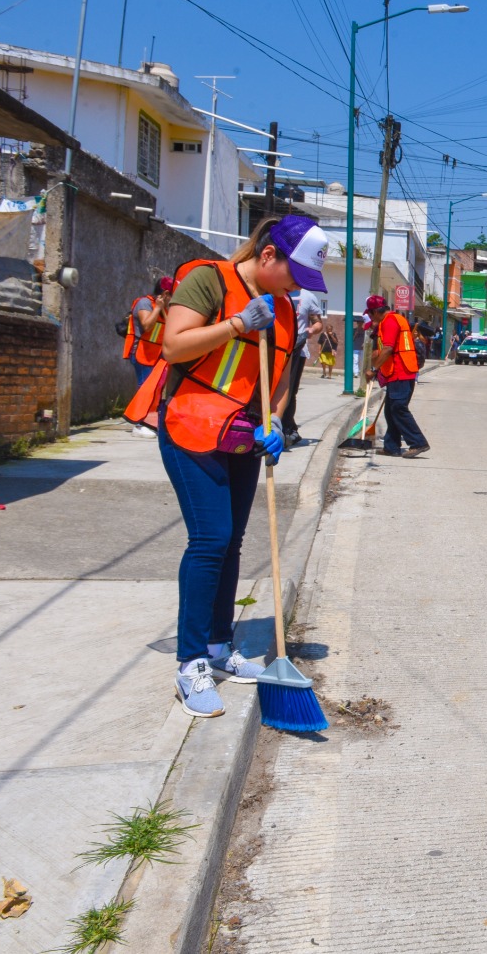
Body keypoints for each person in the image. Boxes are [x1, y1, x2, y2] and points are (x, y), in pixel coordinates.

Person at [126, 213, 328, 718]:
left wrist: (277, 422)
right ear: (267, 256)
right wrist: (238, 323)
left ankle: (219, 647)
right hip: (191, 429)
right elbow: (173, 346)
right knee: (210, 540)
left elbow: (280, 379)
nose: (298, 288)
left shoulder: (284, 311)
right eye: (294, 275)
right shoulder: (208, 280)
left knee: (234, 542)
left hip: (241, 438)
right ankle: (191, 662)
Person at [366, 295, 429, 458]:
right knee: (390, 410)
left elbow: (388, 349)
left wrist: (373, 369)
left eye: (371, 314)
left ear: (375, 312)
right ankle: (391, 446)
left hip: (401, 371)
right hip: (400, 371)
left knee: (398, 408)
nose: (371, 318)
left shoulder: (390, 321)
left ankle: (418, 442)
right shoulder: (395, 320)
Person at [124, 276, 174, 437]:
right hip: (142, 353)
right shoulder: (145, 303)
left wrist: (164, 310)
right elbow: (146, 326)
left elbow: (171, 328)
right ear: (165, 293)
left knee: (154, 389)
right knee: (144, 388)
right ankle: (139, 424)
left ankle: (149, 422)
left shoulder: (165, 308)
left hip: (156, 355)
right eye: (172, 296)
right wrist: (158, 308)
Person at [280, 289, 327, 445]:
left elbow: (318, 323)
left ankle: (287, 429)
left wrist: (312, 330)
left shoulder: (307, 296)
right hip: (275, 348)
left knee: (289, 390)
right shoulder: (273, 290)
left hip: (296, 349)